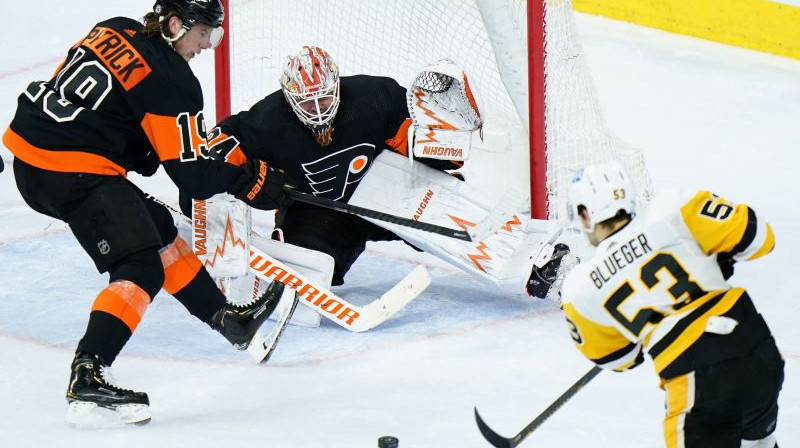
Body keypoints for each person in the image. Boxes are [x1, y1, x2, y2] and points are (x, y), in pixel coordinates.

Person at [1, 0, 291, 427]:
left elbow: (89, 95)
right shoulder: (173, 81)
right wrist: (249, 181)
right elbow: (191, 179)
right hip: (72, 169)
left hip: (34, 155)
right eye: (204, 33)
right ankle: (89, 374)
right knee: (139, 266)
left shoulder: (114, 28)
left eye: (215, 35)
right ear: (175, 25)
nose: (207, 45)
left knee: (158, 231)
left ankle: (228, 319)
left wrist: (137, 145)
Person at [198, 47, 569, 317]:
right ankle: (277, 270)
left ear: (336, 84)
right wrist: (251, 182)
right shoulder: (268, 119)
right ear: (288, 97)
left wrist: (437, 147)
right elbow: (213, 146)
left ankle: (543, 268)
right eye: (306, 103)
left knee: (454, 222)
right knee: (305, 290)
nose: (317, 109)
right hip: (320, 211)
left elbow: (416, 142)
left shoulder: (373, 95)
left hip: (388, 189)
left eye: (324, 97)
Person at [555, 161, 783, 447]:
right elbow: (761, 238)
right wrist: (721, 257)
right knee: (758, 442)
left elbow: (621, 359)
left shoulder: (579, 289)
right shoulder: (673, 207)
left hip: (698, 378)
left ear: (586, 214)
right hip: (758, 351)